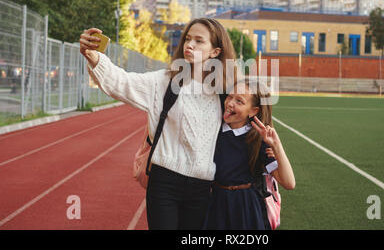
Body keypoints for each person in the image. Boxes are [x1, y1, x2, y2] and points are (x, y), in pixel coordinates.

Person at [79, 18, 236, 230]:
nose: (189, 45)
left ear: (215, 52)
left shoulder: (225, 94)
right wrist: (94, 56)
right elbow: (121, 82)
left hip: (203, 188)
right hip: (165, 183)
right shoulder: (164, 82)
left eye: (199, 41)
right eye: (188, 39)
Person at [203, 79, 295, 230]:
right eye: (230, 96)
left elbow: (289, 183)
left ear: (253, 111)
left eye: (239, 101)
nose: (230, 103)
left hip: (246, 206)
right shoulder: (214, 130)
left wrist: (277, 148)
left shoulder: (258, 139)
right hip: (216, 203)